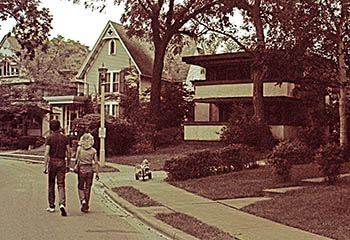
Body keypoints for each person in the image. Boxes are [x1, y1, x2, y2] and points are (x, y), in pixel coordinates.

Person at [43, 120, 71, 216]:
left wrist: (45, 165)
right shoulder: (65, 138)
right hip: (62, 161)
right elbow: (68, 152)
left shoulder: (49, 138)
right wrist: (68, 163)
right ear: (59, 127)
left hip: (52, 162)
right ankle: (62, 204)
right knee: (61, 184)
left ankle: (51, 205)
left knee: (51, 184)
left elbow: (47, 152)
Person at [74, 133, 99, 213]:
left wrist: (76, 165)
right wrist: (97, 173)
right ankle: (86, 204)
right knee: (88, 187)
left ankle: (83, 200)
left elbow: (76, 159)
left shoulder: (79, 149)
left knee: (80, 186)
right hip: (90, 170)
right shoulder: (93, 151)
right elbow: (96, 162)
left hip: (82, 169)